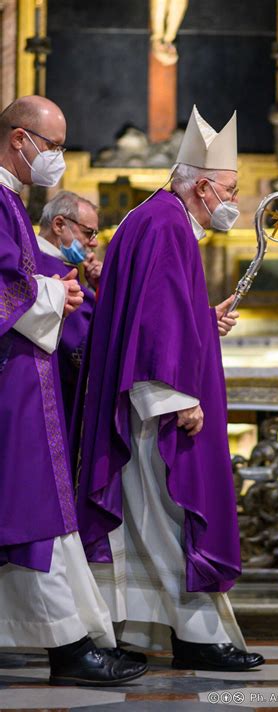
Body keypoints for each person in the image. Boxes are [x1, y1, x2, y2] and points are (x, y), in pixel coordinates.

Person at [73, 105, 265, 671]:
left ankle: (170, 634)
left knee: (151, 520)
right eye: (229, 189)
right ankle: (197, 638)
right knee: (175, 516)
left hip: (142, 396)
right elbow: (154, 317)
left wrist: (205, 317)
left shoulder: (155, 218)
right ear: (203, 186)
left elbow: (153, 311)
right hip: (156, 403)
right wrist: (177, 397)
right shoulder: (166, 223)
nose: (234, 200)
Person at [0, 95, 147, 686]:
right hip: (14, 381)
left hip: (24, 376)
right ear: (19, 140)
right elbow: (6, 292)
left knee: (36, 514)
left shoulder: (10, 200)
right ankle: (69, 647)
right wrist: (58, 295)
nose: (59, 158)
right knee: (33, 514)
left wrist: (53, 290)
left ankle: (74, 641)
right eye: (54, 146)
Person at [37, 191, 100, 425]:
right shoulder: (52, 270)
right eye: (88, 233)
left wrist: (96, 287)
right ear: (59, 224)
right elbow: (84, 347)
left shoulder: (38, 259)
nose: (93, 242)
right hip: (56, 398)